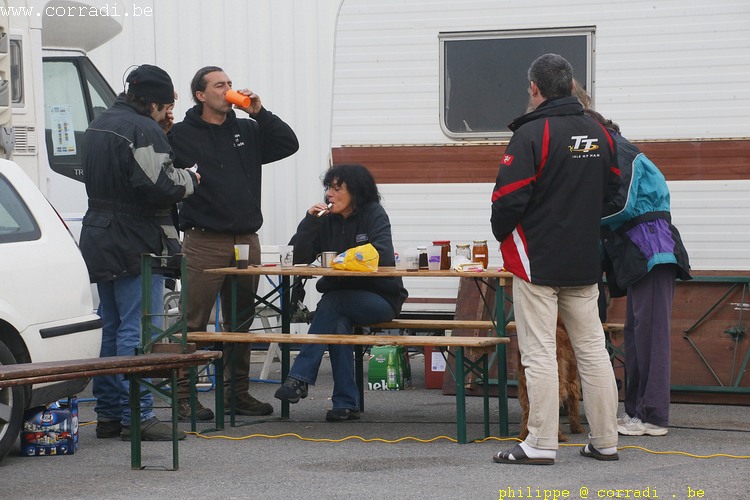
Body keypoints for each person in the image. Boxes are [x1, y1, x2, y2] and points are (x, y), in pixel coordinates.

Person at [489, 54, 620, 464]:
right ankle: (606, 441)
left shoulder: (531, 133)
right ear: (570, 85)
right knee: (593, 350)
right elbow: (613, 192)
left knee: (539, 351)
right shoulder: (600, 133)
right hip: (584, 259)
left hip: (537, 261)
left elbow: (507, 199)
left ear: (534, 88)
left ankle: (541, 443)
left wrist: (502, 232)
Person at [169, 66, 299, 420]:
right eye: (219, 85)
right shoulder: (181, 135)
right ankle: (183, 396)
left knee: (240, 321)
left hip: (245, 237)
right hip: (203, 238)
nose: (228, 89)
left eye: (229, 83)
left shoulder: (247, 129)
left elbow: (288, 144)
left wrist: (259, 112)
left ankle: (236, 394)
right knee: (193, 321)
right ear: (201, 95)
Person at [79, 64, 200, 441]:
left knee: (111, 326)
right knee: (140, 327)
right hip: (135, 238)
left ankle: (109, 414)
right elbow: (160, 185)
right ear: (153, 102)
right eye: (166, 106)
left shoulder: (99, 124)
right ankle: (140, 416)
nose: (168, 113)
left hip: (98, 234)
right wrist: (191, 179)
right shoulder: (142, 129)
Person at [274, 164, 408, 421]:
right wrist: (309, 222)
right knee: (336, 323)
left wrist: (344, 260)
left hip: (381, 299)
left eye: (337, 189)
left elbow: (383, 255)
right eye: (328, 188)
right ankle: (345, 403)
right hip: (340, 302)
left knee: (331, 303)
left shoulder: (374, 214)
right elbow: (297, 258)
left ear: (355, 192)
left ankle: (299, 378)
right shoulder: (325, 220)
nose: (329, 194)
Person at [591, 109, 692, 437]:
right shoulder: (615, 150)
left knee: (651, 337)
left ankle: (654, 416)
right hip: (642, 252)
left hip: (652, 250)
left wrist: (583, 217)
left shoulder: (620, 151)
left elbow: (621, 205)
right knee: (636, 336)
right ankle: (636, 412)